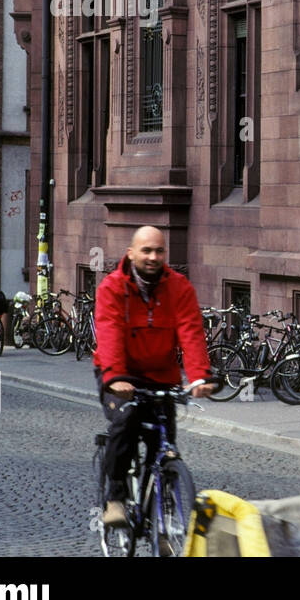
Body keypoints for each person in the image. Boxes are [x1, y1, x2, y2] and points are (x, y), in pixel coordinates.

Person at [93, 226, 213, 527]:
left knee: (163, 442)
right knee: (127, 420)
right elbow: (109, 333)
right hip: (121, 374)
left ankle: (163, 518)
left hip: (162, 376)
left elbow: (191, 331)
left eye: (159, 250)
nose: (153, 257)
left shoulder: (179, 287)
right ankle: (116, 499)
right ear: (131, 253)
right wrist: (116, 378)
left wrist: (199, 376)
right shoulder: (112, 287)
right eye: (146, 250)